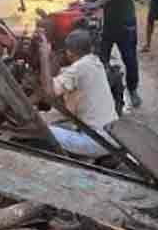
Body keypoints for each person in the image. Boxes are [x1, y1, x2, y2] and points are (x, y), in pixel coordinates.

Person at [37, 29, 120, 158]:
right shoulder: (95, 63)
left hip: (97, 142)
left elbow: (49, 91)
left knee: (39, 130)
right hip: (112, 136)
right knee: (50, 122)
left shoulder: (79, 68)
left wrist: (44, 57)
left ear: (69, 52)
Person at [81, 0, 142, 109]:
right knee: (100, 61)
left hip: (124, 22)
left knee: (130, 60)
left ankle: (133, 90)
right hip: (104, 26)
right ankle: (103, 93)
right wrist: (86, 6)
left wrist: (96, 3)